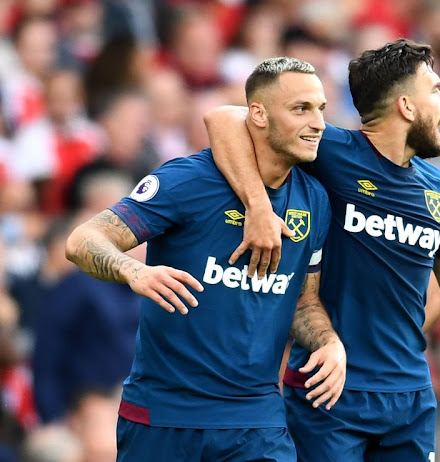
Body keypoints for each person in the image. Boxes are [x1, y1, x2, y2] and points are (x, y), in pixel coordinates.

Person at [203, 39, 440, 461]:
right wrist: (258, 206)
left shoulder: (439, 191)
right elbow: (223, 118)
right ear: (406, 105)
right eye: (435, 90)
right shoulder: (331, 151)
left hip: (410, 400)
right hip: (329, 392)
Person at [65, 57, 346, 462]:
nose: (319, 122)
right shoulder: (189, 180)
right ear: (259, 115)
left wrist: (329, 342)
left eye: (320, 108)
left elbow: (303, 302)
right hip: (164, 417)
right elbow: (82, 240)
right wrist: (134, 271)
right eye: (301, 109)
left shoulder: (314, 200)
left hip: (257, 423)